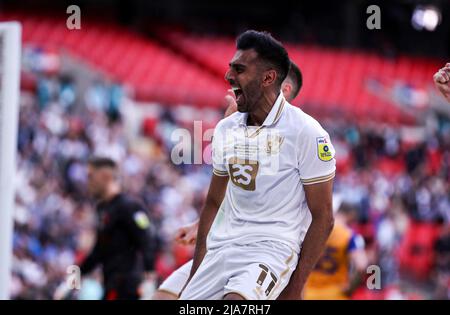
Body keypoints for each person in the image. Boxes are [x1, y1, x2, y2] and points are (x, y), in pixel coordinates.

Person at [178, 30, 335, 300]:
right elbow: (214, 203)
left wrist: (294, 289)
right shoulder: (226, 129)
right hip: (223, 248)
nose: (228, 76)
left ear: (268, 78)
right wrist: (195, 277)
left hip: (272, 249)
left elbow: (324, 217)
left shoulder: (307, 132)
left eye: (239, 69)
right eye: (230, 68)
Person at [153, 61, 304, 300]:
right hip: (224, 247)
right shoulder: (237, 126)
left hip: (264, 253)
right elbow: (231, 191)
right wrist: (200, 223)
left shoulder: (296, 137)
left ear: (282, 90)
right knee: (164, 296)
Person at [56, 157, 157, 300]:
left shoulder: (128, 206)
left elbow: (148, 238)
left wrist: (149, 278)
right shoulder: (104, 209)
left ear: (106, 177)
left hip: (127, 287)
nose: (88, 182)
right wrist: (71, 280)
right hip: (111, 285)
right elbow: (98, 252)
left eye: (91, 176)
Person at [303, 202, 369, 300]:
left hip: (309, 293)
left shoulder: (312, 230)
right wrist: (351, 288)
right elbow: (362, 266)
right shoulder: (349, 236)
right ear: (351, 215)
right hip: (335, 293)